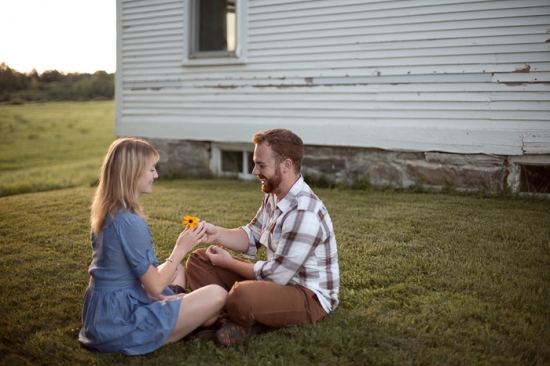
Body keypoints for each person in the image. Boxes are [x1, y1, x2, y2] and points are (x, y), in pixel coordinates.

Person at [185, 128, 340, 346]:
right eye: (255, 163)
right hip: (275, 283)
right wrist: (216, 233)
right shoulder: (274, 195)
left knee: (242, 296)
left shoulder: (304, 213)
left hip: (307, 296)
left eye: (261, 165)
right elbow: (251, 235)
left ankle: (243, 317)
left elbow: (275, 276)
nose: (253, 170)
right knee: (200, 260)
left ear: (286, 165)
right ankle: (230, 322)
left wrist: (229, 263)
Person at [79, 137, 227, 355]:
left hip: (102, 315)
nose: (155, 175)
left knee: (177, 271)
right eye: (151, 169)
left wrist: (166, 298)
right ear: (133, 172)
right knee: (217, 294)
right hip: (120, 321)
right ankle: (190, 323)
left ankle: (186, 317)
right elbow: (154, 286)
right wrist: (181, 247)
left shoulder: (107, 213)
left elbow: (142, 278)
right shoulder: (130, 223)